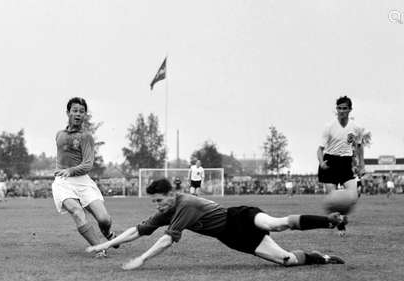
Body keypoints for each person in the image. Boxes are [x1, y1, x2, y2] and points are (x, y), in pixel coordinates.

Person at [86, 178, 345, 270]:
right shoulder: (167, 210)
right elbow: (137, 230)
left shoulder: (185, 203)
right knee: (287, 260)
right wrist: (107, 243)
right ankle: (322, 258)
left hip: (240, 217)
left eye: (159, 200)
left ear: (171, 195)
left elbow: (167, 240)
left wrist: (142, 259)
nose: (157, 206)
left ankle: (329, 221)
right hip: (234, 238)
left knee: (277, 224)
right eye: (154, 202)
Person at [52, 97, 116, 258]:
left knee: (104, 219)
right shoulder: (59, 134)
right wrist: (63, 171)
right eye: (75, 110)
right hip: (63, 183)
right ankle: (99, 248)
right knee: (77, 212)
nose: (78, 114)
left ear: (85, 115)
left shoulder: (86, 137)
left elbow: (88, 164)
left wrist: (71, 170)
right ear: (68, 113)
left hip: (82, 181)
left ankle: (107, 233)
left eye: (82, 111)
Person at [317, 96, 364, 236]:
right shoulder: (329, 127)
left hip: (346, 163)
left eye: (344, 108)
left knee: (354, 195)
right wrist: (321, 162)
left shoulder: (356, 128)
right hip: (330, 162)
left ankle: (342, 216)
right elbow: (319, 149)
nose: (341, 111)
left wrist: (362, 163)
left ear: (350, 110)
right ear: (336, 109)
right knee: (334, 199)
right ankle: (341, 227)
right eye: (339, 108)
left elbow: (360, 146)